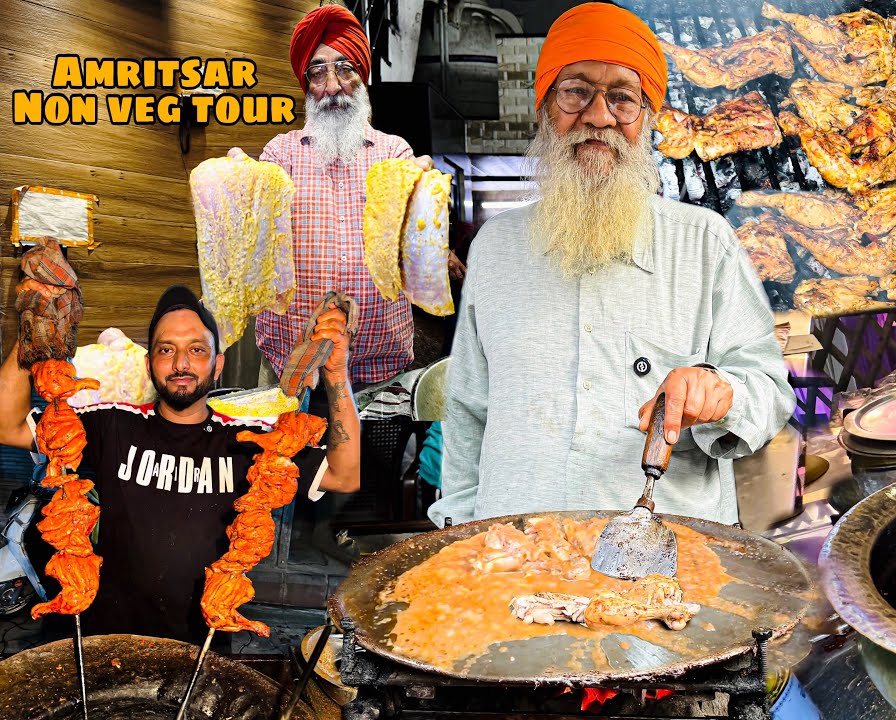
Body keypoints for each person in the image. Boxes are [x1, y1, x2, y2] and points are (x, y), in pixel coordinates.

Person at [427, 3, 794, 528]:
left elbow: (770, 392)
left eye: (622, 98)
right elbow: (467, 412)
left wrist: (722, 391)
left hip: (667, 559)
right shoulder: (495, 246)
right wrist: (460, 532)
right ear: (545, 109)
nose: (598, 116)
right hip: (512, 555)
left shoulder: (704, 242)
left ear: (646, 120)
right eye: (575, 91)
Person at [0, 285, 361, 640]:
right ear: (149, 363)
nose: (181, 363)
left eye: (197, 349)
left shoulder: (252, 440)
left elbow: (344, 477)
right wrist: (30, 333)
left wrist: (335, 376)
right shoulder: (111, 422)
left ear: (217, 365)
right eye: (166, 349)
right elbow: (7, 427)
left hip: (198, 641)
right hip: (98, 633)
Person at [231, 5, 438, 414]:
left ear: (362, 76)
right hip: (292, 368)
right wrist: (239, 192)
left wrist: (423, 203)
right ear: (306, 85)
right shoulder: (281, 154)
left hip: (379, 371)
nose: (333, 85)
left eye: (345, 69)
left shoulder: (394, 153)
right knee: (289, 473)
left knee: (373, 475)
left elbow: (413, 261)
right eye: (318, 72)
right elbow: (256, 250)